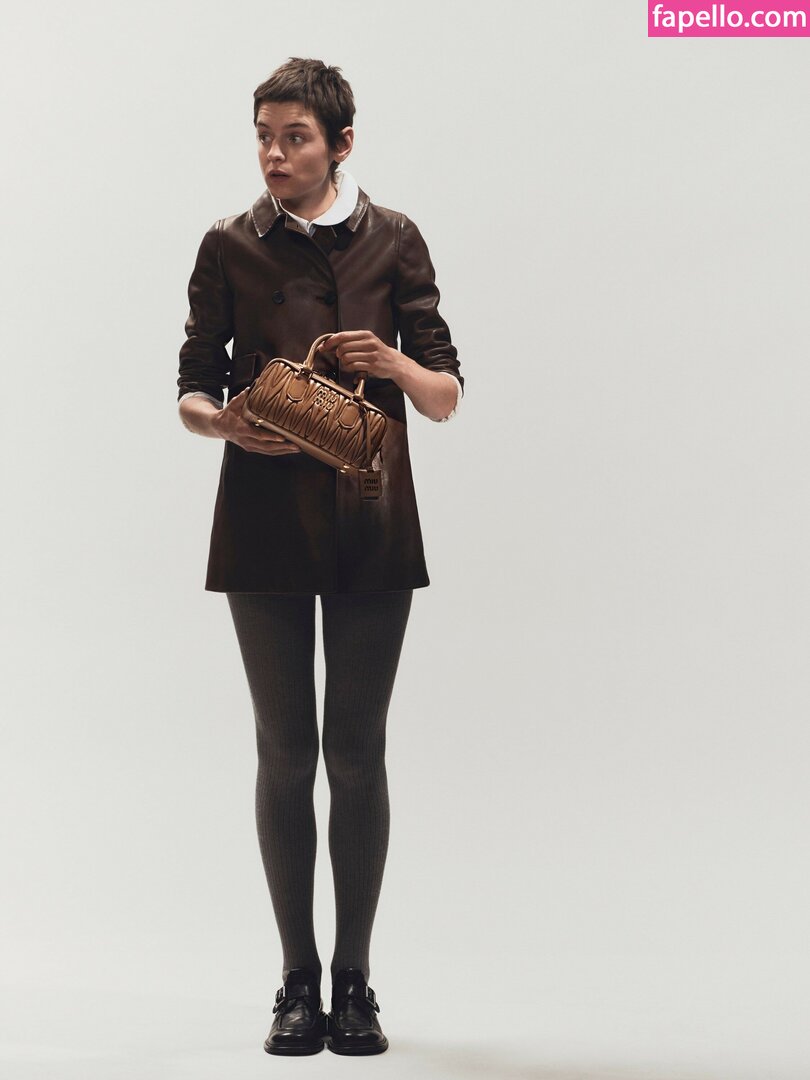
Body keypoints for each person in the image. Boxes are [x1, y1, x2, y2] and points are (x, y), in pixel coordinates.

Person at [176, 57, 464, 1057]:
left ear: (341, 144)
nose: (274, 154)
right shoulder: (229, 243)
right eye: (264, 135)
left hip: (370, 516)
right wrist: (220, 423)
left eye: (294, 137)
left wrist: (394, 363)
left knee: (356, 753)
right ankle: (295, 979)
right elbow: (191, 382)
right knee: (284, 752)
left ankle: (355, 981)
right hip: (260, 517)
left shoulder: (396, 239)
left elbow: (446, 395)